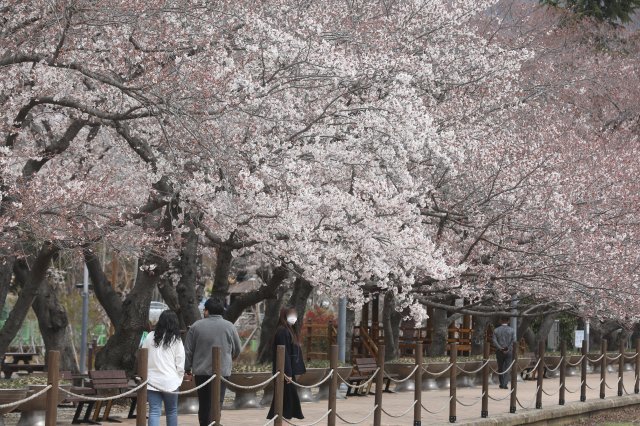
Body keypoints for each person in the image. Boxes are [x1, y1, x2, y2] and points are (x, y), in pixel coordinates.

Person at [185, 298, 241, 426]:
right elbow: (238, 349)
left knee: (204, 403)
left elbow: (188, 350)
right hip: (222, 371)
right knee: (217, 402)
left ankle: (204, 424)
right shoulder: (229, 326)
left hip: (201, 371)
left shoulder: (195, 326)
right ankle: (215, 423)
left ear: (207, 311)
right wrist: (229, 358)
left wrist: (187, 369)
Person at [141, 310, 185, 426]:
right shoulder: (176, 339)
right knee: (171, 411)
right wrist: (179, 379)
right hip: (170, 381)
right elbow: (180, 362)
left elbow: (142, 356)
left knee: (154, 411)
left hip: (152, 380)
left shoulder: (150, 336)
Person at [267, 307, 305, 421]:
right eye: (291, 314)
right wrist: (287, 372)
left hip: (286, 371)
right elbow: (284, 354)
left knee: (286, 400)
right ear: (284, 316)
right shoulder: (283, 331)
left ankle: (281, 420)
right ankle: (281, 421)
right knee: (286, 400)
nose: (294, 317)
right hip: (284, 371)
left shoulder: (288, 330)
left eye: (294, 314)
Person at [492, 317, 517, 389]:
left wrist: (500, 348)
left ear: (500, 321)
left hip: (499, 351)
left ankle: (501, 383)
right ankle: (505, 384)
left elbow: (494, 340)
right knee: (507, 367)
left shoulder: (496, 330)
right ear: (508, 321)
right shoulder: (512, 330)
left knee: (500, 367)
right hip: (509, 351)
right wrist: (508, 348)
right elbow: (514, 341)